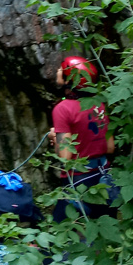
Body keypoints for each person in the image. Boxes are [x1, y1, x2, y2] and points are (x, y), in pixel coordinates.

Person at [50, 55, 117, 222]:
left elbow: (65, 157)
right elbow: (110, 147)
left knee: (60, 231)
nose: (58, 71)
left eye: (61, 69)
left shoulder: (62, 109)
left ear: (68, 80)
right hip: (104, 176)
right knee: (105, 230)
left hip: (79, 180)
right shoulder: (99, 104)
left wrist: (55, 138)